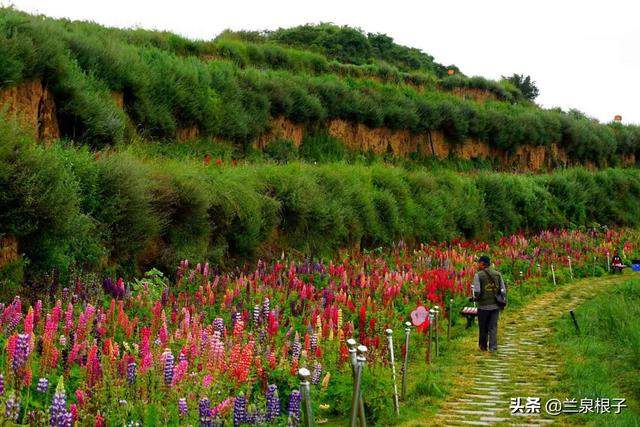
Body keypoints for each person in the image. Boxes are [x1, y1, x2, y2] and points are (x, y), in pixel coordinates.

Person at [471, 255, 507, 352]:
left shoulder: (478, 275)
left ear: (482, 264)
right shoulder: (497, 274)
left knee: (483, 327)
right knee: (493, 327)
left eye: (479, 262)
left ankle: (483, 347)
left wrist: (475, 298)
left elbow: (477, 291)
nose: (478, 264)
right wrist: (503, 301)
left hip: (483, 306)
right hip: (495, 305)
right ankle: (493, 347)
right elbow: (503, 290)